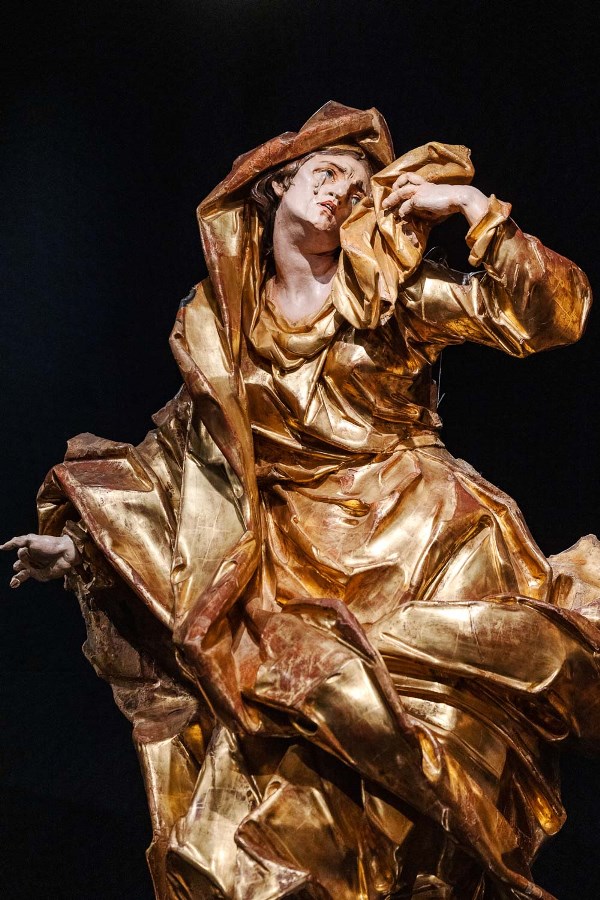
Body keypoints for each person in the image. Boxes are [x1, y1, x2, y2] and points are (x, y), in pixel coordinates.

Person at [3, 102, 600, 900]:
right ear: (277, 183)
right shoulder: (220, 325)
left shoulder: (390, 293)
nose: (339, 193)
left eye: (358, 189)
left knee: (431, 766)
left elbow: (549, 314)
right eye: (326, 173)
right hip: (297, 576)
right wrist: (81, 547)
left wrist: (471, 208)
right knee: (282, 809)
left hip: (424, 547)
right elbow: (187, 461)